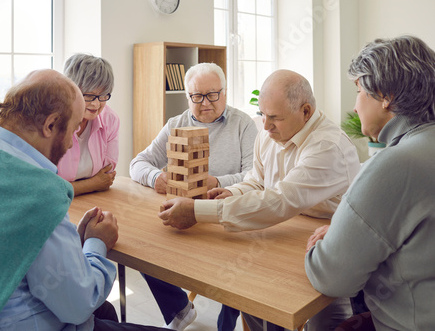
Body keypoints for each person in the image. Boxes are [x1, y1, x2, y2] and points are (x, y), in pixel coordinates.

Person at [0, 69, 167, 331]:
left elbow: (5, 244)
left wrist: (69, 241)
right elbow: (80, 303)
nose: (72, 141)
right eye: (75, 126)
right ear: (50, 125)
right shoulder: (37, 193)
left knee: (107, 311)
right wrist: (96, 243)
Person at [159, 69, 362, 331]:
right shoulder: (269, 133)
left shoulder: (327, 146)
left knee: (324, 323)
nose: (265, 126)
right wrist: (232, 192)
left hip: (327, 250)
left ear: (306, 111)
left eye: (275, 118)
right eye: (262, 114)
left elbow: (279, 200)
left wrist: (198, 211)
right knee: (253, 302)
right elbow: (258, 180)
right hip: (282, 236)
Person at [305, 36, 435, 331]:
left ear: (385, 95)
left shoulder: (397, 163)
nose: (354, 106)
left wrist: (322, 245)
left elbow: (331, 277)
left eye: (359, 91)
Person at [130, 62, 259, 331]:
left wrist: (216, 182)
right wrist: (156, 177)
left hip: (224, 221)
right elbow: (138, 163)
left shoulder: (243, 124)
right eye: (196, 96)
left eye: (212, 94)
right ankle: (178, 307)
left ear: (224, 92)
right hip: (181, 216)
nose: (205, 103)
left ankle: (229, 312)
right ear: (187, 96)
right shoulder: (175, 125)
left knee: (240, 265)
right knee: (138, 244)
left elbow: (254, 176)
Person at [57, 53, 120, 196]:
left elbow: (106, 177)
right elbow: (46, 187)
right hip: (54, 205)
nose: (96, 104)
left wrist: (74, 187)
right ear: (70, 90)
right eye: (89, 95)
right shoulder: (52, 123)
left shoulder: (110, 119)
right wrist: (91, 184)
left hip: (94, 199)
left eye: (103, 95)